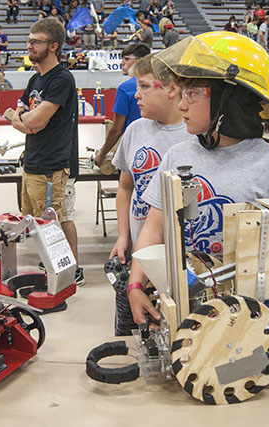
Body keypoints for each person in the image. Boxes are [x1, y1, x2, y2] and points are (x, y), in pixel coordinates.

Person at [126, 32, 269, 326]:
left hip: (248, 318)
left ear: (229, 100)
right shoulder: (176, 157)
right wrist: (135, 285)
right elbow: (153, 230)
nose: (181, 105)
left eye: (192, 93)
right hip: (189, 308)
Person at [110, 54, 192, 335]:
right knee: (133, 329)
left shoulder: (193, 135)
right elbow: (125, 187)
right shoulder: (135, 130)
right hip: (139, 255)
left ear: (171, 89)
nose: (136, 95)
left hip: (181, 261)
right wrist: (124, 235)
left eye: (144, 86)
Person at [10, 18, 82, 286]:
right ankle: (53, 266)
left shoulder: (62, 79)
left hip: (53, 165)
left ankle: (70, 272)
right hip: (32, 163)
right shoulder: (34, 79)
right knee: (39, 224)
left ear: (53, 46)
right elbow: (19, 116)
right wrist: (23, 120)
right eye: (28, 40)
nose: (29, 45)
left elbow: (34, 121)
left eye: (35, 41)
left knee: (57, 220)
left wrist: (24, 120)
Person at [95, 43, 150, 167]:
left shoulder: (125, 89)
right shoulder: (160, 84)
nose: (122, 63)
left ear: (140, 61)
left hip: (133, 152)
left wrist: (102, 154)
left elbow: (116, 129)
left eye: (126, 59)